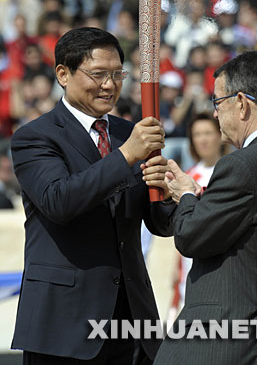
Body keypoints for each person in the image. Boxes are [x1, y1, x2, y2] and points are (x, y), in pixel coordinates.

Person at [10, 27, 175, 365]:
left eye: (117, 75)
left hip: (131, 319)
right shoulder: (35, 137)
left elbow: (159, 223)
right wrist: (126, 156)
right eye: (98, 74)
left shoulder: (130, 134)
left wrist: (170, 193)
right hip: (64, 325)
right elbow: (59, 201)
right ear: (63, 74)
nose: (109, 85)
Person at [152, 49, 257, 365]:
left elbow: (191, 236)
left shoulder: (241, 165)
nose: (215, 114)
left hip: (238, 342)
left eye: (217, 103)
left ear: (241, 103)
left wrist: (187, 195)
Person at [168, 113, 228, 320]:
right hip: (191, 266)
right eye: (197, 134)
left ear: (220, 135)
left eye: (208, 133)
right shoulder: (187, 177)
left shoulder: (232, 171)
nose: (202, 139)